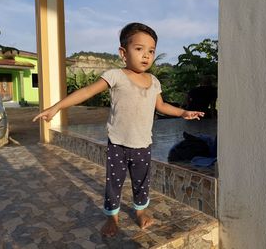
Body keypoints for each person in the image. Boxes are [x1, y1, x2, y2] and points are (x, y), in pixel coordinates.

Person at [33, 22, 204, 237]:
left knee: (142, 181)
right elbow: (87, 92)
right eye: (139, 49)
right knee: (114, 182)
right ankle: (112, 217)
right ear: (123, 53)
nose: (146, 55)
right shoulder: (115, 76)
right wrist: (56, 106)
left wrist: (182, 112)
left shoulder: (153, 81)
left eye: (151, 51)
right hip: (118, 144)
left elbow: (160, 106)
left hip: (142, 144)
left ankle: (141, 211)